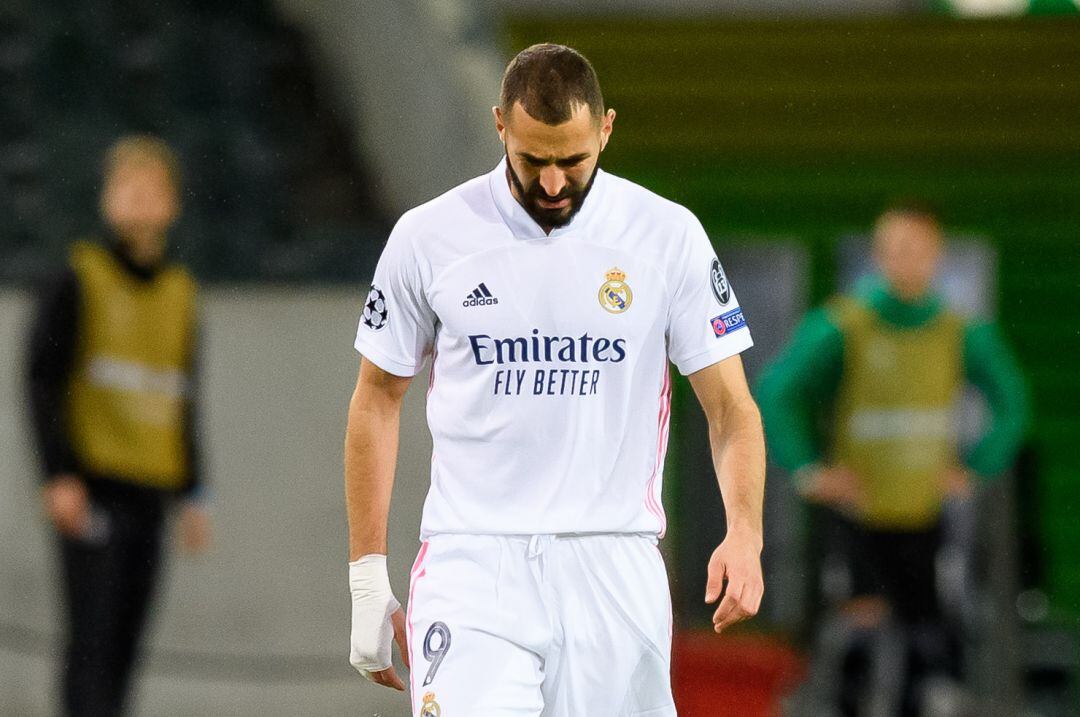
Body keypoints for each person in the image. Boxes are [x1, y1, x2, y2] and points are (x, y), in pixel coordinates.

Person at [344, 43, 766, 715]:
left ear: (606, 129)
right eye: (531, 159)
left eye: (572, 161)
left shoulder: (666, 237)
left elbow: (730, 407)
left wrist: (745, 529)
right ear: (500, 127)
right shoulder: (429, 238)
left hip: (613, 564)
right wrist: (367, 576)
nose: (551, 183)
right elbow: (375, 399)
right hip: (473, 563)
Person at [756, 201, 1028, 715]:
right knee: (856, 643)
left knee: (925, 642)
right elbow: (778, 391)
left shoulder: (957, 331)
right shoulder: (845, 324)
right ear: (879, 255)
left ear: (936, 255)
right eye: (895, 249)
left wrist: (976, 466)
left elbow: (1012, 400)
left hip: (926, 514)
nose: (905, 260)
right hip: (857, 513)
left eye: (917, 250)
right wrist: (809, 469)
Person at [26, 135, 211, 717]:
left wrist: (193, 491)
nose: (136, 200)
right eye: (124, 187)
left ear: (173, 204)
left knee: (129, 642)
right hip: (94, 487)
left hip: (149, 492)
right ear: (106, 198)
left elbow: (184, 398)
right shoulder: (77, 278)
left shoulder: (181, 294)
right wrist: (58, 474)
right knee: (92, 639)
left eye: (150, 189)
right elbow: (40, 380)